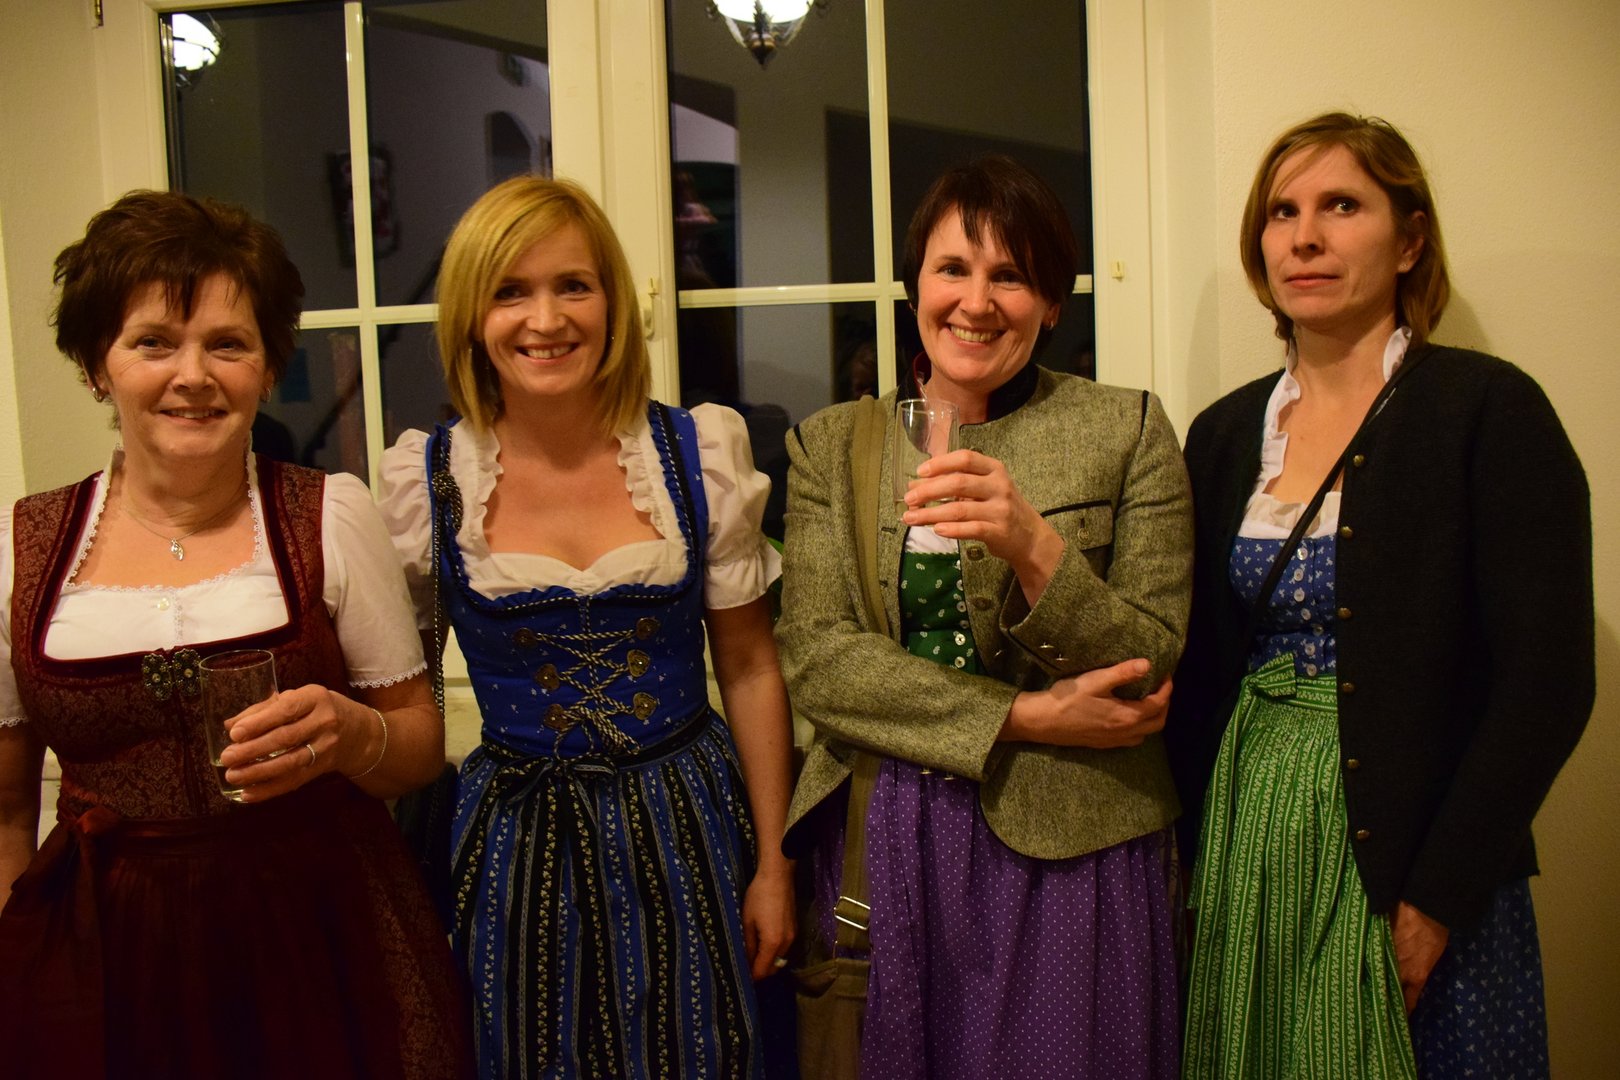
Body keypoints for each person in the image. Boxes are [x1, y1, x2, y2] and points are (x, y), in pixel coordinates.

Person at [0, 190, 472, 1078]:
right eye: (154, 342)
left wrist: (353, 735)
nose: (194, 374)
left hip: (323, 937)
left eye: (227, 343)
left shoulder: (331, 516)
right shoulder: (17, 550)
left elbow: (415, 746)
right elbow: (5, 807)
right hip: (111, 955)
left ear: (266, 365)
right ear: (97, 365)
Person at [1171, 113, 1593, 1080]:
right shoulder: (1226, 434)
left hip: (1421, 861)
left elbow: (1547, 682)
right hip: (1254, 848)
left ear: (1409, 241)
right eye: (1282, 213)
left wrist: (1437, 899)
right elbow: (1198, 672)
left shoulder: (1487, 410)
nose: (1304, 237)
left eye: (1341, 206)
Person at [775, 154, 1192, 1079]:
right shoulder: (830, 446)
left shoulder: (1126, 428)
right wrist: (1028, 715)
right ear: (915, 285)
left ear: (1052, 302)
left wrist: (1035, 547)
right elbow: (819, 662)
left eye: (1010, 275)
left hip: (1080, 840)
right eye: (952, 269)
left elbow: (1150, 659)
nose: (976, 301)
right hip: (887, 833)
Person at [377, 175, 796, 1079]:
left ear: (612, 301)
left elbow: (752, 668)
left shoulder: (697, 453)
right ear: (470, 316)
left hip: (692, 829)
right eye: (511, 292)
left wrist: (773, 861)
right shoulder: (427, 482)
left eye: (573, 285)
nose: (546, 319)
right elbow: (399, 706)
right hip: (517, 845)